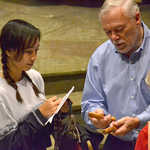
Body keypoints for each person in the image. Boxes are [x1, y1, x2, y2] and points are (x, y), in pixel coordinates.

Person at [81, 0, 150, 149]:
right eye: (108, 32)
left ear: (137, 18)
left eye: (119, 29)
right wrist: (97, 116)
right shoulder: (100, 57)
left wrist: (138, 120)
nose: (114, 38)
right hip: (118, 141)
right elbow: (90, 102)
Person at [0, 19, 62, 150]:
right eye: (28, 52)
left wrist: (58, 112)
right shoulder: (1, 91)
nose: (34, 57)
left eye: (36, 50)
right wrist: (39, 116)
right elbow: (8, 145)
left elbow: (43, 131)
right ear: (9, 51)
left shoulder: (35, 77)